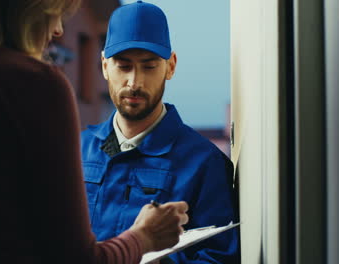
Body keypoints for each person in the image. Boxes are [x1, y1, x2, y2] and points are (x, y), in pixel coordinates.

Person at [0, 0, 190, 263]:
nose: (59, 29)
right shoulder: (33, 85)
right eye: (55, 10)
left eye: (148, 66)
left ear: (170, 66)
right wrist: (144, 237)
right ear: (27, 9)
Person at [81, 1, 240, 263]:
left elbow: (219, 257)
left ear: (171, 66)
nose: (134, 82)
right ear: (104, 66)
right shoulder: (77, 150)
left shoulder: (204, 163)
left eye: (149, 66)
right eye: (123, 66)